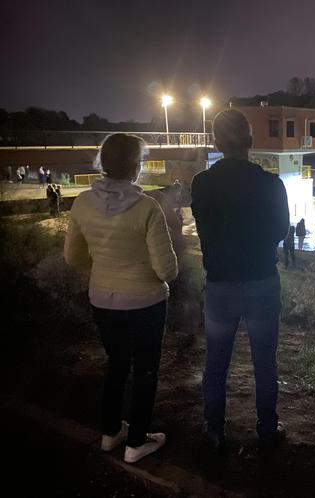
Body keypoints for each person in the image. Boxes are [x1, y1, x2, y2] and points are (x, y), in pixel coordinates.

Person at [64, 133, 178, 464]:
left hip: (102, 301)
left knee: (116, 366)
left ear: (104, 164)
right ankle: (137, 442)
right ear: (135, 166)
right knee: (145, 372)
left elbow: (72, 257)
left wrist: (101, 272)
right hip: (145, 304)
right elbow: (166, 269)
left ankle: (110, 434)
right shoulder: (147, 208)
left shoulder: (82, 202)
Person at [191, 109, 290, 450]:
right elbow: (280, 230)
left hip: (219, 285)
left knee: (216, 362)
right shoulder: (271, 184)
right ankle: (267, 427)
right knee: (265, 360)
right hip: (262, 280)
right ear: (250, 141)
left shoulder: (201, 184)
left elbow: (204, 225)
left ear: (216, 142)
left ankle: (214, 429)